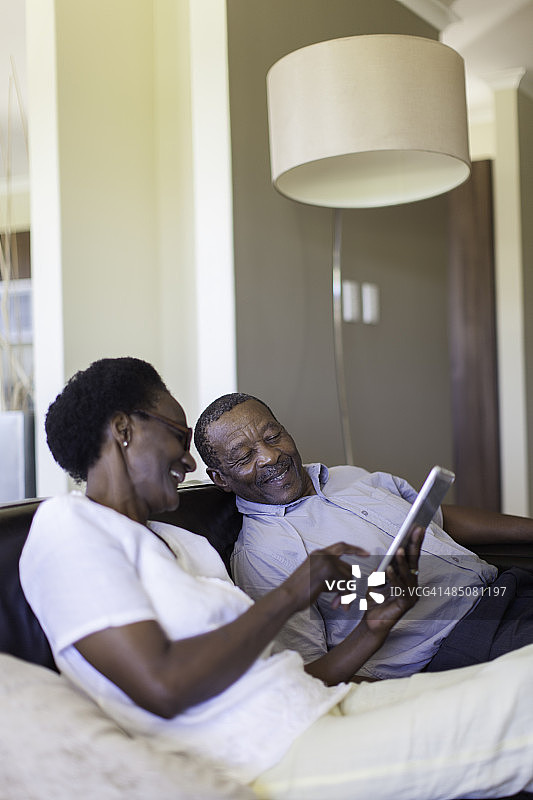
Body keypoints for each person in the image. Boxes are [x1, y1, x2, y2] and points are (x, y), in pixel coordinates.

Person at [19, 359, 533, 800]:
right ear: (124, 430)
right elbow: (163, 686)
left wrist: (374, 627)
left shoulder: (183, 545)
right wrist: (293, 593)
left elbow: (279, 676)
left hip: (316, 706)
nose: (189, 459)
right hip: (269, 750)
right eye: (179, 435)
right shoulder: (68, 528)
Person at [194, 392, 533, 679]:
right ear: (220, 478)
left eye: (272, 437)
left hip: (506, 587)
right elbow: (309, 674)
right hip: (461, 639)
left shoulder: (348, 477)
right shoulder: (262, 555)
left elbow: (435, 518)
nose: (270, 456)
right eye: (244, 456)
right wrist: (375, 626)